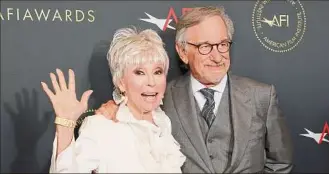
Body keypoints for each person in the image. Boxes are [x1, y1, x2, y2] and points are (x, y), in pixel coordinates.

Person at [97, 6, 293, 173]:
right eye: (205, 46)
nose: (217, 57)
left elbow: (280, 163)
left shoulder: (261, 96)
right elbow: (133, 109)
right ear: (182, 52)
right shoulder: (161, 97)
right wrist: (115, 107)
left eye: (223, 45)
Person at [40, 27, 186, 173]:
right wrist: (65, 123)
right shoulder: (101, 125)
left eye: (158, 72)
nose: (151, 81)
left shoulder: (163, 121)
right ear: (121, 82)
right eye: (139, 72)